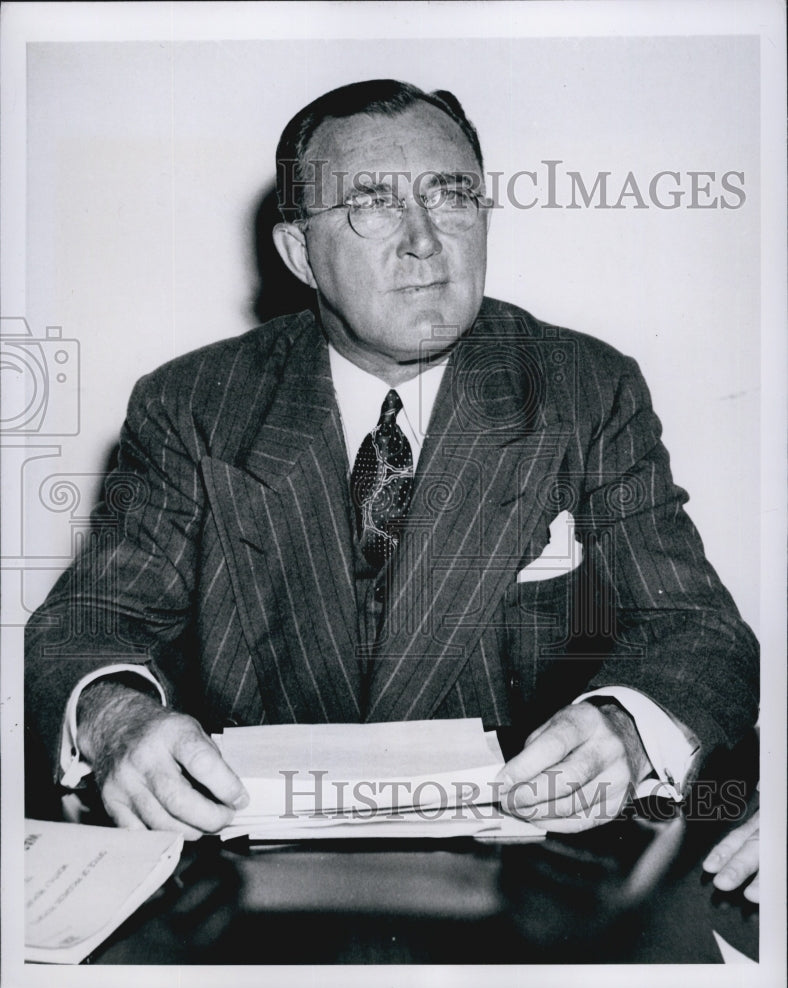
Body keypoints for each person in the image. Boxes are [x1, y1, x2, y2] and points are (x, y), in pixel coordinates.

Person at [24, 79, 758, 842]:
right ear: (299, 253)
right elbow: (87, 624)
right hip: (248, 871)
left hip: (524, 880)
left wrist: (626, 725)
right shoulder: (192, 405)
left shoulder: (584, 390)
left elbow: (701, 634)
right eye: (372, 202)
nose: (424, 240)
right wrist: (116, 720)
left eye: (451, 196)